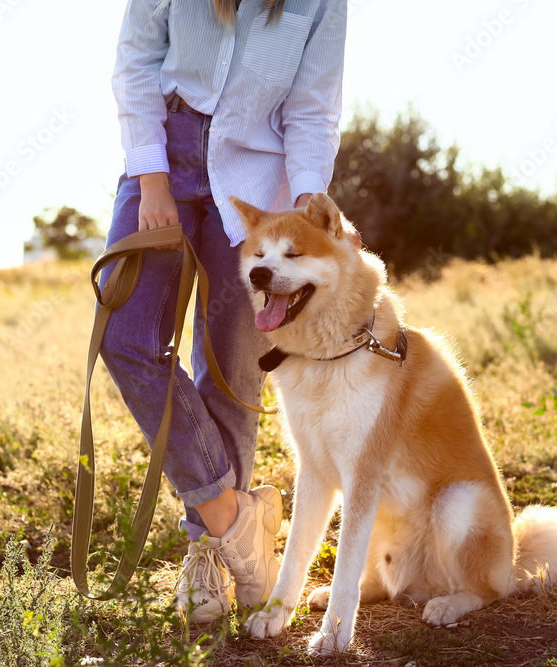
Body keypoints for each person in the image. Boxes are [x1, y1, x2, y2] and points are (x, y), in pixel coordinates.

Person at [99, 0, 347, 623]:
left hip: (260, 178)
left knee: (233, 369)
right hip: (164, 151)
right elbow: (136, 58)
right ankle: (231, 515)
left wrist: (309, 200)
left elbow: (313, 105)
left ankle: (208, 553)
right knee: (125, 337)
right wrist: (152, 176)